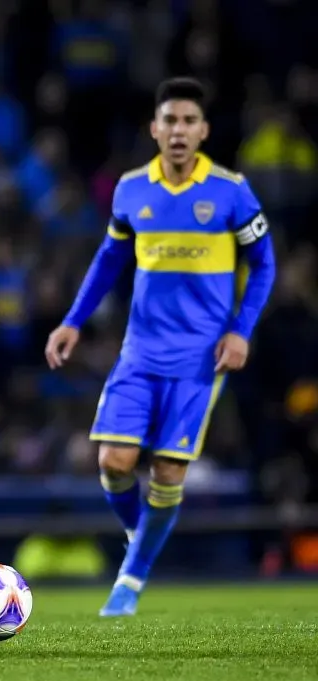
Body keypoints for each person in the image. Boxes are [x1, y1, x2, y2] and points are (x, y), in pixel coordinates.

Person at [45, 78, 277, 616]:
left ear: (204, 131)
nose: (178, 131)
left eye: (189, 121)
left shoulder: (230, 191)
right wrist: (73, 321)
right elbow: (109, 260)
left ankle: (130, 579)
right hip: (140, 351)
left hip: (201, 356)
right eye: (169, 121)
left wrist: (241, 329)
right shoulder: (131, 190)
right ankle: (141, 538)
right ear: (155, 129)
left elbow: (264, 263)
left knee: (169, 471)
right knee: (114, 463)